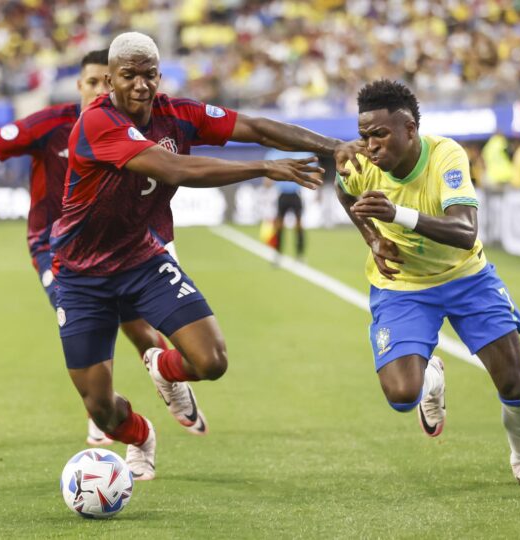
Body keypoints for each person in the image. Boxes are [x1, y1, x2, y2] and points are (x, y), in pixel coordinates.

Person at [53, 32, 359, 481]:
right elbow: (173, 168)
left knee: (211, 361)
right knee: (100, 407)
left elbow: (255, 127)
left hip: (141, 260)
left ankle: (162, 367)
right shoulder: (97, 123)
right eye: (129, 75)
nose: (140, 84)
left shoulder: (178, 114)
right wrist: (262, 166)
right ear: (110, 79)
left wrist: (333, 147)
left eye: (149, 74)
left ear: (160, 76)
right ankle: (140, 435)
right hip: (82, 275)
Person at [0, 50, 170, 447]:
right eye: (91, 83)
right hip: (53, 246)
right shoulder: (51, 123)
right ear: (79, 85)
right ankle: (101, 410)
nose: (99, 90)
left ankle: (171, 381)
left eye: (105, 83)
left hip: (114, 246)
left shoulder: (130, 127)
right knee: (83, 312)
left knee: (138, 327)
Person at [335, 79, 520, 489]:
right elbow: (342, 191)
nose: (371, 146)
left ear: (409, 129)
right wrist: (372, 237)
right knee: (402, 395)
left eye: (380, 134)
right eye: (364, 136)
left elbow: (465, 232)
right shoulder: (361, 163)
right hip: (402, 284)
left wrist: (395, 215)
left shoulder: (445, 156)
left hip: (467, 277)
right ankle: (430, 377)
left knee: (513, 380)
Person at [265, 149, 311, 262]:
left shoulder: (302, 153)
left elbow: (314, 171)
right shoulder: (274, 154)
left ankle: (300, 255)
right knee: (279, 225)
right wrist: (268, 184)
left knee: (299, 225)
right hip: (282, 194)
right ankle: (278, 253)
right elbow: (267, 176)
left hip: (296, 194)